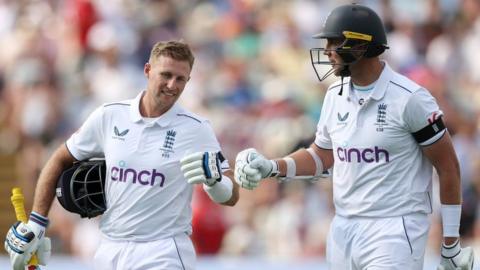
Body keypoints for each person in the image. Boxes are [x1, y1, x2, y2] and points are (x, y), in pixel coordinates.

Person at [234, 4, 474, 270]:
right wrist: (272, 166)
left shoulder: (410, 99)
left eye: (334, 42)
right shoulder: (334, 94)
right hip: (343, 228)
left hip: (395, 228)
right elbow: (321, 155)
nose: (326, 51)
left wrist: (450, 243)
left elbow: (448, 166)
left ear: (360, 46)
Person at [4, 40, 239, 270]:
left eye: (180, 79)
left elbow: (232, 195)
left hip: (164, 251)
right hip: (110, 249)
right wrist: (37, 222)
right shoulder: (109, 115)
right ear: (148, 70)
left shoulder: (196, 128)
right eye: (165, 75)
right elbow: (59, 159)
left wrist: (216, 182)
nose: (172, 85)